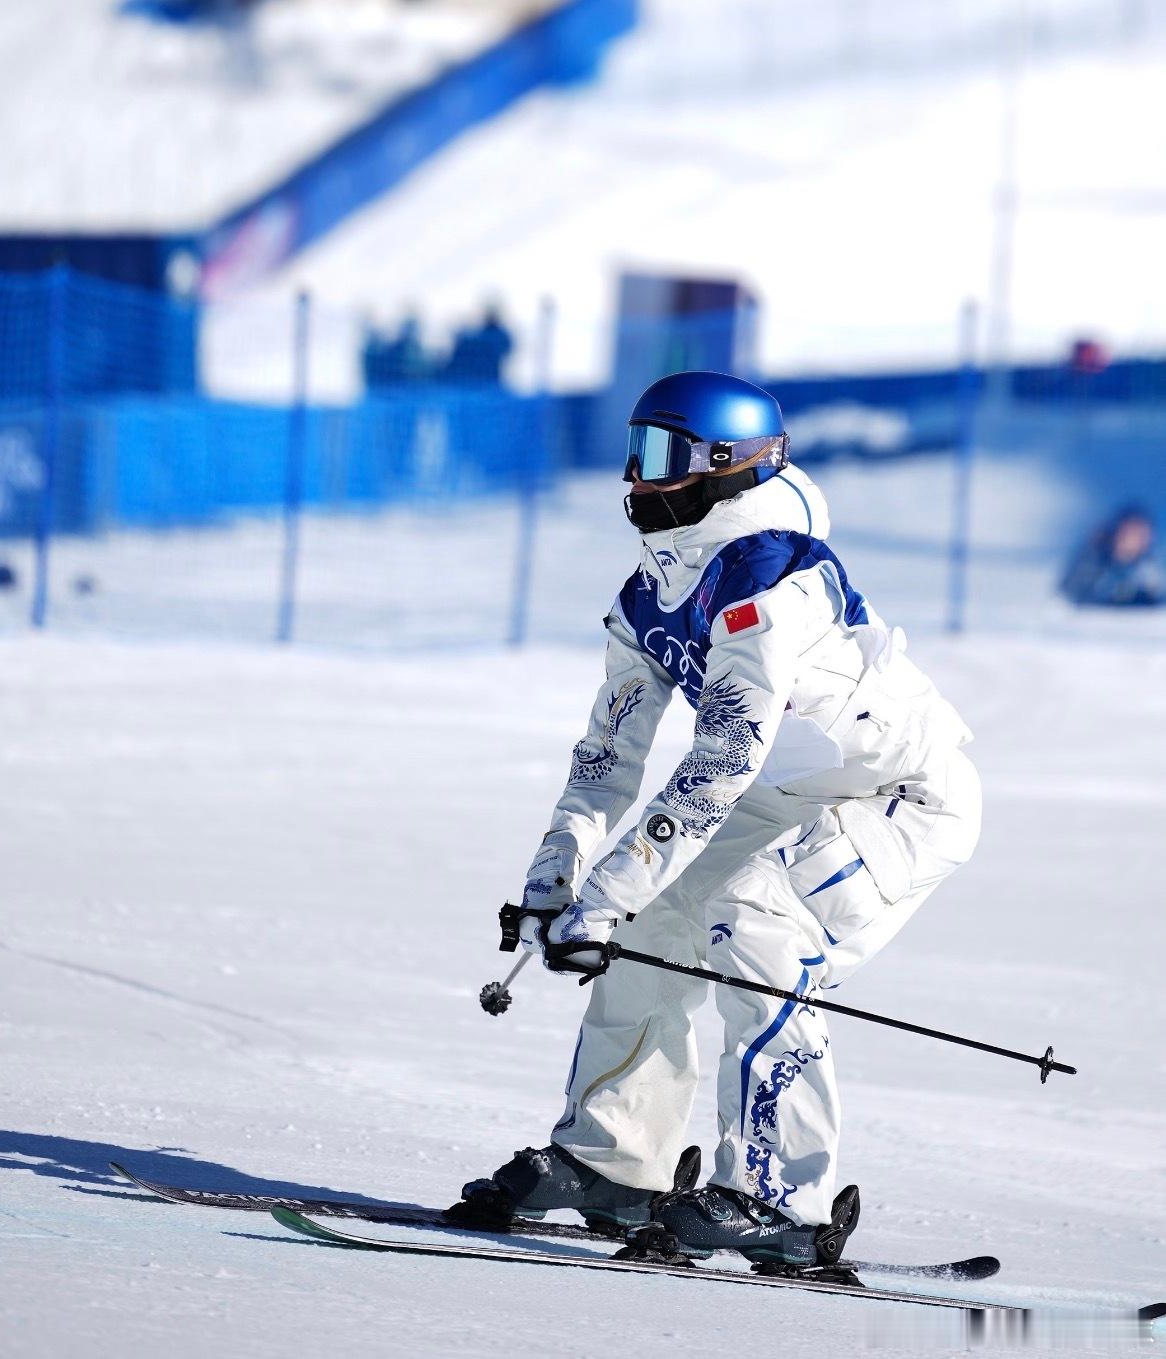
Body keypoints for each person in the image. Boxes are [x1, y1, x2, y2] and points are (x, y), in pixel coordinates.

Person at [450, 372, 981, 1270]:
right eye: (634, 448)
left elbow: (721, 759)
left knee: (758, 920)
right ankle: (615, 1159)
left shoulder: (767, 580)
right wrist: (557, 881)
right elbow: (607, 756)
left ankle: (781, 1200)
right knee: (652, 924)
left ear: (726, 464)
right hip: (786, 790)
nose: (636, 475)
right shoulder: (653, 590)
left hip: (898, 796)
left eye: (660, 453)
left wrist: (602, 896)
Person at [1060, 505, 1164, 608]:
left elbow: (1157, 595)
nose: (1141, 540)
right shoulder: (1094, 559)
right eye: (1135, 534)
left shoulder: (1148, 564)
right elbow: (1074, 593)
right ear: (1119, 532)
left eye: (1144, 535)